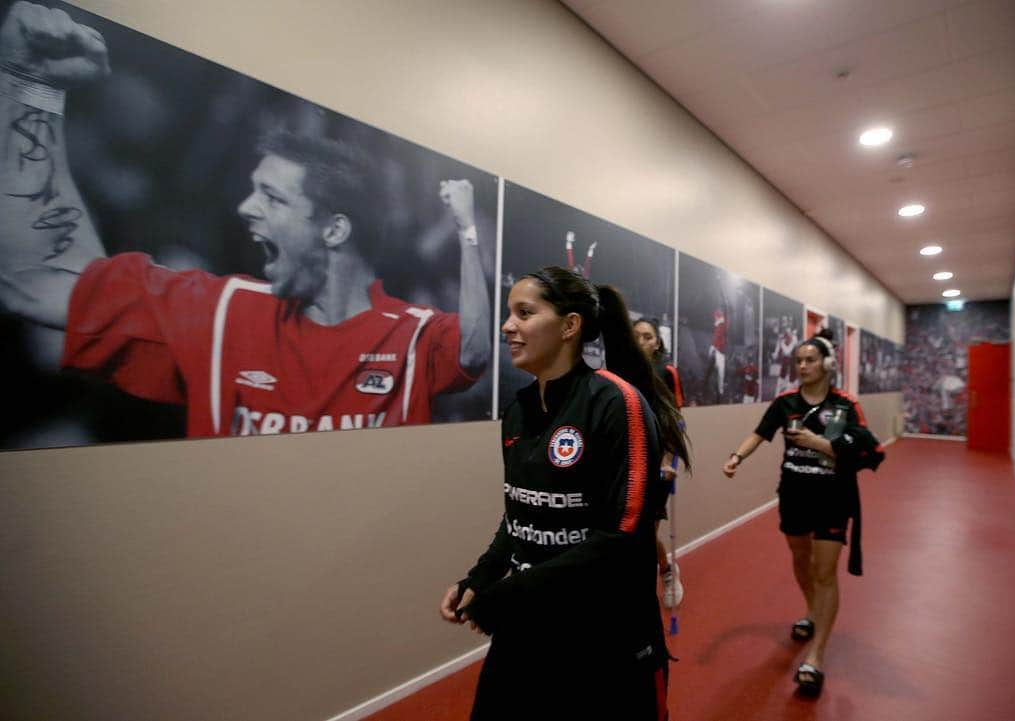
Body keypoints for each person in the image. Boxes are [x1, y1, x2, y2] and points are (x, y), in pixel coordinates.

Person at [0, 2, 490, 437]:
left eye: (272, 197)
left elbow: (479, 355)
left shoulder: (416, 335)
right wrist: (29, 85)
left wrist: (466, 227)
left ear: (335, 230)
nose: (244, 207)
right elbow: (39, 278)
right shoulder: (224, 315)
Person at [440, 266, 691, 720]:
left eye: (524, 313)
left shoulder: (617, 404)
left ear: (570, 326)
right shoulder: (517, 409)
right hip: (527, 630)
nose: (507, 326)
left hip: (605, 642)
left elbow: (622, 537)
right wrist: (480, 578)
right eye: (509, 314)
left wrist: (508, 594)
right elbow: (518, 514)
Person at [722, 328, 884, 697]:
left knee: (825, 572)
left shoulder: (845, 404)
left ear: (827, 364)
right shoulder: (785, 402)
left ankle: (816, 656)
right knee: (801, 559)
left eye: (811, 360)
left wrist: (820, 443)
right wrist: (736, 457)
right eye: (799, 360)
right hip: (794, 494)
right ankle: (812, 612)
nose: (804, 365)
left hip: (833, 498)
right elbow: (759, 433)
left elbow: (865, 446)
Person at [633, 316, 685, 608]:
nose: (642, 341)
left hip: (658, 462)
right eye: (636, 336)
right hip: (628, 460)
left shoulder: (666, 372)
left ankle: (665, 571)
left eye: (647, 337)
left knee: (644, 531)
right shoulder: (622, 370)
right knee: (628, 530)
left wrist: (667, 460)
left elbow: (676, 422)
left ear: (657, 342)